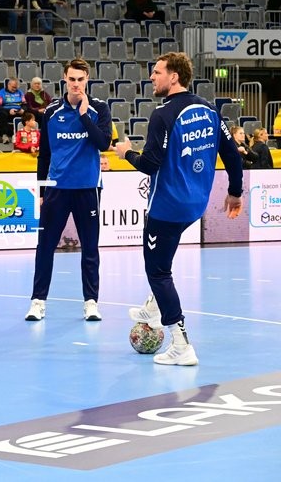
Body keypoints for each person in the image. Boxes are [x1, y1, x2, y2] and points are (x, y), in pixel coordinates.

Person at [115, 52, 243, 366]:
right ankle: (154, 308)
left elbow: (150, 164)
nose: (152, 77)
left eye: (157, 72)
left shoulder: (163, 114)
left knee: (157, 271)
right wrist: (235, 192)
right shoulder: (208, 108)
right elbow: (232, 153)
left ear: (174, 76)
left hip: (167, 206)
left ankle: (181, 344)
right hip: (196, 204)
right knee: (163, 262)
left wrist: (126, 152)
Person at [25, 58, 112, 322]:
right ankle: (38, 301)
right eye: (72, 79)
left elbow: (103, 143)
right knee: (45, 246)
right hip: (57, 190)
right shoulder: (50, 112)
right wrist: (41, 191)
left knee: (90, 248)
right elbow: (45, 155)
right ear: (65, 78)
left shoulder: (99, 109)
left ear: (87, 79)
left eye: (81, 79)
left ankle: (91, 302)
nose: (76, 84)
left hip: (88, 189)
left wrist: (84, 116)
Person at [0, 78, 26, 144]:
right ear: (8, 85)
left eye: (16, 87)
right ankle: (4, 136)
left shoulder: (20, 92)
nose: (14, 89)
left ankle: (25, 136)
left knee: (30, 113)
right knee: (2, 114)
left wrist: (23, 109)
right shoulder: (1, 93)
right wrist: (9, 111)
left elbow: (25, 104)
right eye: (13, 87)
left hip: (18, 111)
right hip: (6, 111)